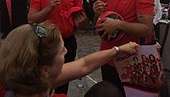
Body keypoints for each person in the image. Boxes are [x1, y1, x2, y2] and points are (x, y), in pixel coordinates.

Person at [0, 21, 139, 97]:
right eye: (61, 51)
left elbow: (84, 64)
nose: (66, 51)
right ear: (45, 70)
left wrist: (118, 50)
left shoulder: (27, 78)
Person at [93, 0, 154, 96]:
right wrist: (96, 13)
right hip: (107, 58)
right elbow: (100, 26)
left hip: (130, 62)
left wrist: (119, 25)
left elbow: (146, 30)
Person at [28, 0, 87, 94]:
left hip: (68, 43)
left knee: (63, 83)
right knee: (42, 82)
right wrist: (49, 8)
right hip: (45, 42)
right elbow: (31, 19)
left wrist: (83, 22)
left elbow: (81, 23)